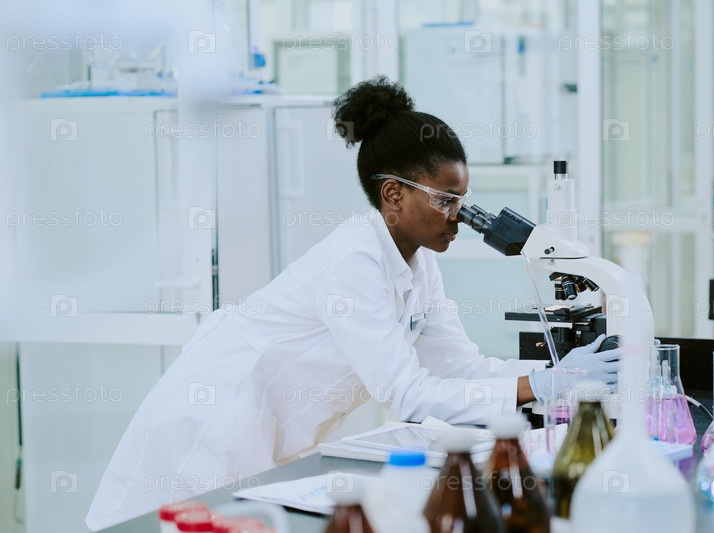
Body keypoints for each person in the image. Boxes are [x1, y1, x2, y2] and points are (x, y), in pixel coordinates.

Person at [85, 76, 620, 530]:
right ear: (394, 194)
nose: (459, 215)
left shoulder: (419, 265)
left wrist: (555, 375)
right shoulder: (353, 260)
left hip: (268, 433)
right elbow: (408, 394)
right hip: (210, 423)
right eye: (445, 199)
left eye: (463, 199)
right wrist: (540, 386)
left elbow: (461, 366)